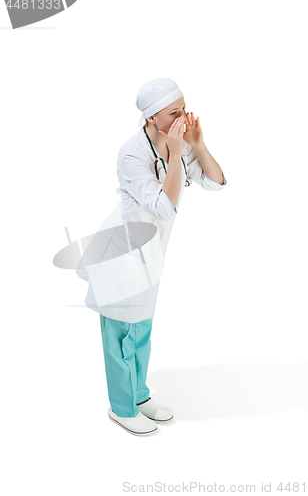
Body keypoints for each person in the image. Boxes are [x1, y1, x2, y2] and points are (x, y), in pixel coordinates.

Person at [76, 78, 227, 436]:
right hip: (121, 256)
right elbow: (164, 206)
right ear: (151, 119)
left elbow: (217, 182)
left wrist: (197, 144)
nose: (183, 118)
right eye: (174, 113)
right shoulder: (131, 153)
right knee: (118, 333)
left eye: (184, 110)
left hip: (150, 257)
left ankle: (140, 396)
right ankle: (122, 407)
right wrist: (177, 154)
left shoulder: (178, 146)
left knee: (141, 329)